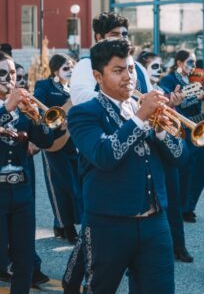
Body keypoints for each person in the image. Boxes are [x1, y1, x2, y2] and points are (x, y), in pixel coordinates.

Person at [67, 38, 183, 293]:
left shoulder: (146, 110)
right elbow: (105, 154)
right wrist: (141, 118)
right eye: (118, 71)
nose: (128, 77)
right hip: (109, 225)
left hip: (155, 222)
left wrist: (161, 130)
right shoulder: (84, 113)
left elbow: (177, 157)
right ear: (98, 76)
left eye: (130, 69)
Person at [0, 51, 56, 294]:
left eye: (12, 73)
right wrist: (6, 109)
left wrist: (41, 118)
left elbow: (44, 141)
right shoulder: (11, 106)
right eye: (3, 73)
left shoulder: (23, 109)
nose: (10, 79)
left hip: (22, 189)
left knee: (24, 257)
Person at [137, 51, 193, 263]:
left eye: (160, 67)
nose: (158, 71)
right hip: (148, 150)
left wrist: (173, 104)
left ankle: (179, 245)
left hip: (167, 148)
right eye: (154, 67)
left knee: (174, 198)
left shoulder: (164, 90)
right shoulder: (139, 92)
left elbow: (175, 123)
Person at [34, 54, 81, 244]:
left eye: (71, 67)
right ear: (55, 71)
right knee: (59, 186)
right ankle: (68, 228)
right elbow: (39, 113)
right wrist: (63, 113)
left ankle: (59, 224)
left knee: (74, 184)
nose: (70, 71)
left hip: (73, 141)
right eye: (65, 68)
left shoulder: (74, 87)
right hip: (53, 141)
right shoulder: (44, 86)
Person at [160, 50, 204, 224]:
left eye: (195, 62)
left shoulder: (195, 79)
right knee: (185, 167)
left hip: (197, 125)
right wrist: (196, 97)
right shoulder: (169, 80)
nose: (193, 66)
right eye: (190, 62)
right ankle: (182, 208)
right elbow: (169, 102)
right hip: (179, 128)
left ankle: (189, 205)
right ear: (180, 63)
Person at [70, 11, 152, 106]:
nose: (122, 38)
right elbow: (80, 97)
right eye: (115, 34)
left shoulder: (138, 67)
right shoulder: (87, 64)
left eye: (124, 34)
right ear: (99, 37)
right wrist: (130, 104)